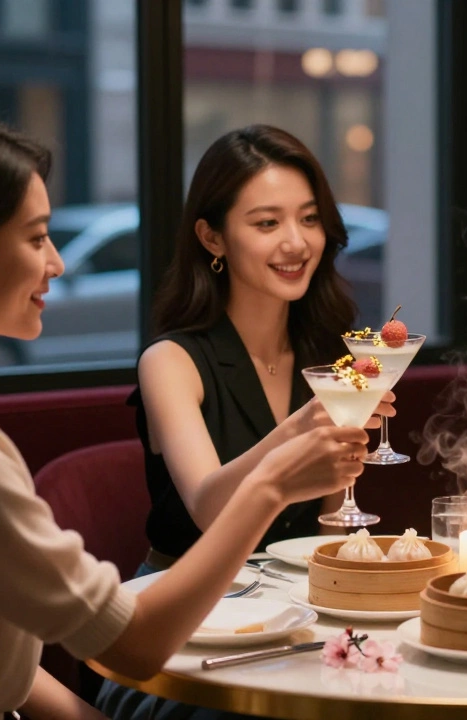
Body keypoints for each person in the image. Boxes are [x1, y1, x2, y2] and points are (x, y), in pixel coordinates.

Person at [0, 116, 367, 719]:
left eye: (309, 218)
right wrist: (270, 484)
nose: (58, 263)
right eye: (37, 238)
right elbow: (133, 645)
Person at [120, 125, 392, 581]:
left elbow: (333, 522)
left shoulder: (327, 349)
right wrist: (301, 427)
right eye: (267, 223)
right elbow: (208, 509)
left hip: (291, 594)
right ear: (212, 238)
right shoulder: (170, 361)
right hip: (184, 597)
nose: (297, 243)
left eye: (309, 218)